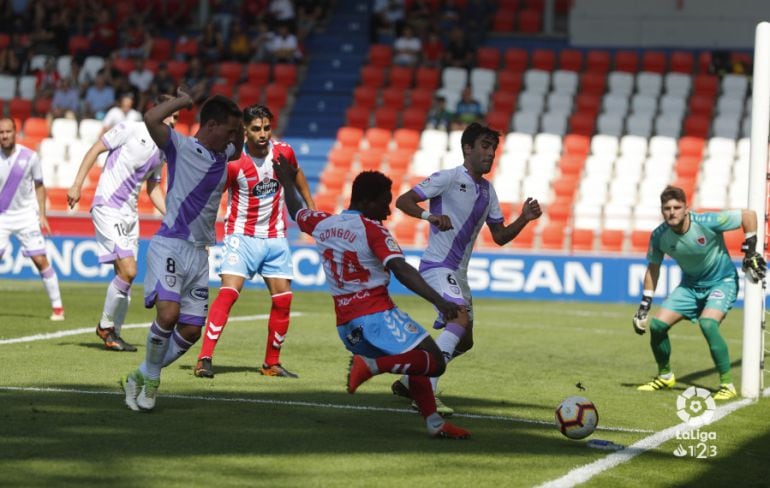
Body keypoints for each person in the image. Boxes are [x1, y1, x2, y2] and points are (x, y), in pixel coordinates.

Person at [273, 162, 471, 439]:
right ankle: (370, 366)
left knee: (416, 357)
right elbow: (401, 269)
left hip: (347, 326)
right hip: (377, 316)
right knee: (434, 361)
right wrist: (440, 301)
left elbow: (296, 211)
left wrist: (285, 181)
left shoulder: (324, 223)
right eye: (384, 204)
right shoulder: (372, 230)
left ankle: (434, 423)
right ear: (366, 201)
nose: (388, 212)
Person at [392, 122, 542, 415]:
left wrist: (524, 218)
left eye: (494, 148)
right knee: (457, 319)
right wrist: (429, 217)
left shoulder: (488, 191)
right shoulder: (448, 178)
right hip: (437, 265)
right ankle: (426, 393)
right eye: (484, 146)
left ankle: (411, 380)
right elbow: (403, 200)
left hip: (458, 273)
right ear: (467, 148)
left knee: (466, 340)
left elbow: (499, 237)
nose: (490, 153)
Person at [121, 90, 243, 412]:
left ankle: (144, 373)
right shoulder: (181, 146)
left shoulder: (224, 154)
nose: (233, 138)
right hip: (171, 243)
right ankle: (152, 380)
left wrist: (240, 124)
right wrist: (184, 102)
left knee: (190, 329)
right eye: (228, 130)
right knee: (169, 314)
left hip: (200, 253)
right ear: (211, 125)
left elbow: (238, 148)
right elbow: (150, 119)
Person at [194, 104, 316, 379]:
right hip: (242, 237)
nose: (263, 134)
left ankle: (271, 363)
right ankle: (204, 358)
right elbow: (211, 196)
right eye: (256, 129)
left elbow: (296, 174)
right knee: (229, 293)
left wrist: (310, 208)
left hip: (275, 238)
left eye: (266, 128)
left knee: (283, 299)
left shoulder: (283, 152)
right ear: (245, 132)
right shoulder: (235, 163)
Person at [632, 185, 766, 401]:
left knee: (708, 323)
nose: (672, 212)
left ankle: (726, 384)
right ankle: (665, 376)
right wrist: (644, 306)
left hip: (721, 282)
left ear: (686, 208)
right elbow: (653, 268)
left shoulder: (706, 222)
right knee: (657, 326)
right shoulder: (659, 236)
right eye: (667, 208)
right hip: (690, 286)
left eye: (677, 207)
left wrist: (751, 249)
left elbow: (747, 215)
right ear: (662, 210)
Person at [66, 95, 177, 352]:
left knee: (126, 276)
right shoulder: (130, 129)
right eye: (171, 114)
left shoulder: (163, 148)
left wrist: (171, 215)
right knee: (128, 270)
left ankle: (114, 333)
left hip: (130, 214)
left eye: (177, 117)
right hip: (109, 206)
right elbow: (96, 149)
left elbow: (153, 187)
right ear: (157, 110)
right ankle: (105, 326)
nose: (174, 121)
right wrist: (77, 184)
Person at [0, 118, 64, 320]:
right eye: (1, 132)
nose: (4, 136)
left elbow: (39, 185)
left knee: (40, 259)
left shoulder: (30, 157)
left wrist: (42, 214)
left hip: (26, 216)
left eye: (8, 131)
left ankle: (58, 307)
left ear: (15, 132)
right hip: (2, 217)